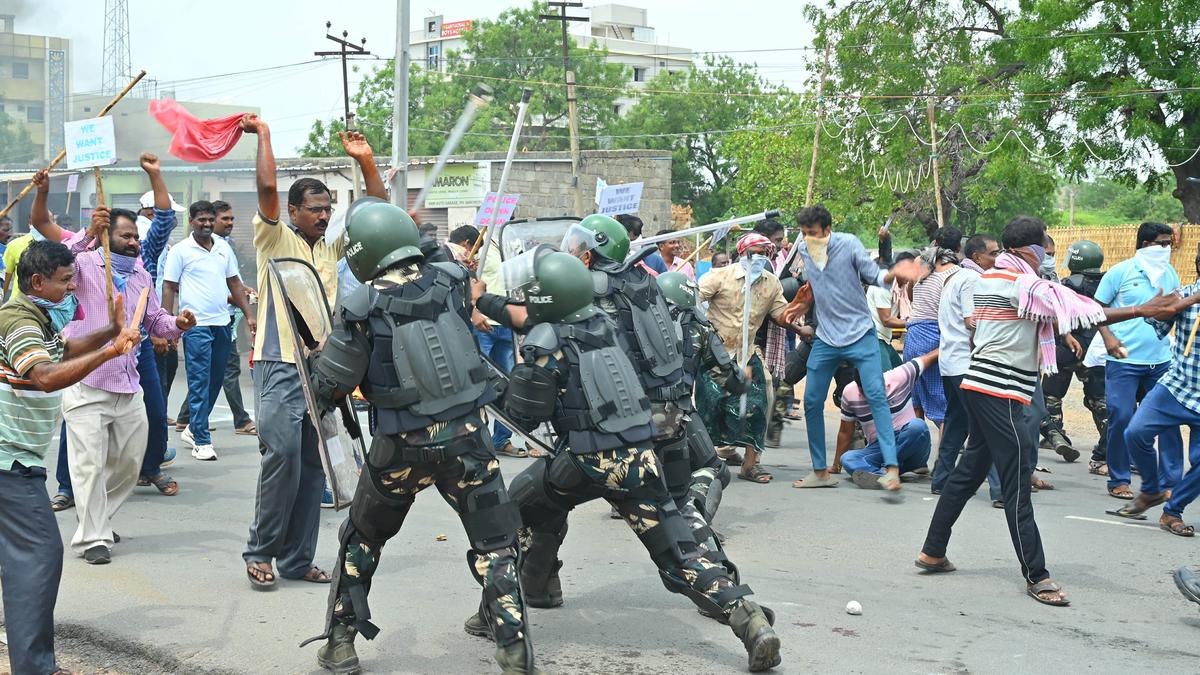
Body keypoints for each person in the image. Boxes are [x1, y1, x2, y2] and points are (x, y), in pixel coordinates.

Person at [470, 247, 782, 672]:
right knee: (680, 555)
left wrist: (479, 371)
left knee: (511, 512)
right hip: (639, 455)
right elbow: (529, 318)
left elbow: (524, 414)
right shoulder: (607, 323)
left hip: (583, 462)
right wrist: (483, 302)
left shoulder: (550, 343)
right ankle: (751, 623)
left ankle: (497, 615)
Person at [299, 202, 536, 674]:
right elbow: (433, 253)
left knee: (362, 538)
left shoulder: (361, 305)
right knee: (496, 543)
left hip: (401, 447)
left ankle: (342, 643)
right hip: (468, 436)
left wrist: (314, 363)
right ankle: (513, 649)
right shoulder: (451, 279)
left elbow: (331, 386)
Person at [916, 215, 1177, 606]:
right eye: (1044, 247)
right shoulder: (1019, 283)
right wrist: (1141, 310)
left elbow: (1060, 311)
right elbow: (1077, 308)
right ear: (1028, 249)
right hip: (998, 391)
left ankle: (932, 551)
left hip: (983, 386)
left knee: (968, 473)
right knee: (1018, 481)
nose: (1047, 255)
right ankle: (1037, 575)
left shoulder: (993, 278)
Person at [241, 120, 386, 589]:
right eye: (314, 210)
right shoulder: (273, 240)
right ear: (292, 211)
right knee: (281, 454)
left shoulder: (330, 245)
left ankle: (297, 559)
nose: (323, 217)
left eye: (327, 210)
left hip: (321, 371)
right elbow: (265, 184)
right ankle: (260, 550)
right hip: (279, 363)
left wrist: (365, 160)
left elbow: (377, 211)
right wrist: (264, 132)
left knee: (311, 465)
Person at [0, 240, 141, 675]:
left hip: (15, 460)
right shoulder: (19, 321)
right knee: (39, 557)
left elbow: (63, 353)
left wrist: (109, 334)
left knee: (24, 557)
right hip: (9, 463)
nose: (72, 291)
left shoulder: (35, 316)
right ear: (37, 282)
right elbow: (43, 376)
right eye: (66, 283)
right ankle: (35, 667)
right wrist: (112, 351)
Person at [62, 206, 197, 564]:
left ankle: (97, 518)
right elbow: (60, 261)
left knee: (129, 464)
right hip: (87, 381)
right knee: (88, 464)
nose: (135, 242)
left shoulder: (140, 274)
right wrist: (89, 232)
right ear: (108, 237)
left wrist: (179, 323)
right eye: (127, 236)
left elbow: (155, 320)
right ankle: (93, 539)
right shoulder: (83, 266)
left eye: (136, 236)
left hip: (128, 384)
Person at [784, 205, 920, 491]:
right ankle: (820, 471)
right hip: (826, 338)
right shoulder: (806, 250)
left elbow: (874, 275)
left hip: (861, 335)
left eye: (813, 234)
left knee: (876, 396)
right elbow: (816, 284)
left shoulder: (849, 244)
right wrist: (798, 305)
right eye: (804, 234)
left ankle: (892, 469)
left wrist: (894, 271)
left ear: (828, 230)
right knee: (810, 401)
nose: (808, 239)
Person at [696, 232, 802, 484]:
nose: (759, 258)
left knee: (758, 403)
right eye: (754, 253)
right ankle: (705, 462)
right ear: (742, 254)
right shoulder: (718, 277)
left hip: (748, 352)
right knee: (710, 406)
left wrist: (801, 306)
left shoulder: (771, 283)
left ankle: (751, 464)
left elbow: (781, 315)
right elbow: (693, 300)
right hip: (716, 353)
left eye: (765, 254)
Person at [1095, 222, 1183, 501]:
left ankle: (1170, 482)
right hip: (1124, 359)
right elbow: (1097, 309)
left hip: (1161, 360)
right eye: (1163, 243)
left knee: (1168, 420)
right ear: (1146, 245)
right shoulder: (1121, 272)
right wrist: (1108, 338)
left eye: (1170, 244)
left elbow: (1176, 309)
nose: (1167, 249)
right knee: (1121, 415)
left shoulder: (1170, 273)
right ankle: (1119, 479)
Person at [162, 201, 255, 461]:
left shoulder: (223, 248)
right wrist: (168, 324)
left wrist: (249, 315)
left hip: (222, 322)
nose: (205, 224)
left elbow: (234, 283)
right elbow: (169, 287)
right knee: (199, 380)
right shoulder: (180, 251)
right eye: (200, 219)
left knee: (215, 380)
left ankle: (193, 426)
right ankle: (202, 439)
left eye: (209, 220)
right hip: (196, 326)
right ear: (191, 221)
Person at [1109, 276, 1200, 533]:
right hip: (1176, 387)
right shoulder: (1181, 296)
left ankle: (1173, 512)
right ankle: (1151, 490)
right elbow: (1156, 321)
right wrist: (1168, 307)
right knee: (1135, 433)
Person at [657, 270, 743, 527]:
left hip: (627, 416)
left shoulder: (629, 322)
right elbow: (727, 377)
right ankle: (694, 524)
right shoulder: (697, 326)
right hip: (674, 412)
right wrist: (746, 381)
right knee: (716, 470)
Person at [931, 234, 1003, 505]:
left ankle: (942, 480)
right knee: (988, 427)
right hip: (966, 363)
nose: (997, 259)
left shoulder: (955, 278)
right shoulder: (973, 280)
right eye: (993, 254)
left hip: (951, 363)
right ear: (977, 257)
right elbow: (972, 322)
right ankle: (1001, 491)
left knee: (956, 424)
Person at [1041, 240, 1108, 470]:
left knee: (1050, 395)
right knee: (1099, 399)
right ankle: (1108, 440)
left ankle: (1055, 435)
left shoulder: (1067, 284)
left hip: (1067, 346)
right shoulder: (1107, 282)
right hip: (1096, 348)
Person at [838, 352, 938, 489]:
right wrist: (835, 465)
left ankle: (888, 470)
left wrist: (952, 342)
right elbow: (845, 432)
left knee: (918, 426)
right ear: (859, 388)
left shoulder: (899, 376)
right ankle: (881, 476)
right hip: (879, 447)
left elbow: (928, 358)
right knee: (847, 458)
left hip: (911, 445)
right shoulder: (850, 393)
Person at [903, 227, 963, 427]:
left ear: (935, 242)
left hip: (913, 334)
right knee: (941, 401)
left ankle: (915, 454)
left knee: (916, 398)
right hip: (935, 335)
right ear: (958, 247)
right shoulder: (955, 271)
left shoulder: (920, 262)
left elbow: (911, 295)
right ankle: (943, 455)